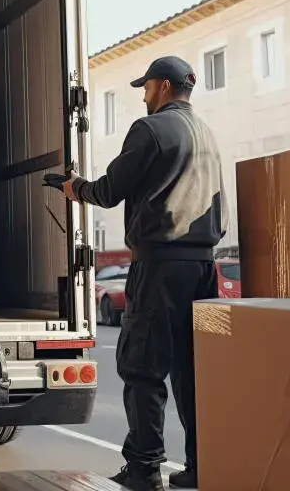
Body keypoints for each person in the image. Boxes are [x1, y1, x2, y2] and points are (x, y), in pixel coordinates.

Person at [45, 56, 226, 491]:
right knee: (188, 369)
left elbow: (110, 190)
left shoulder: (151, 129)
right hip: (203, 268)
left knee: (141, 367)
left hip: (160, 265)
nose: (143, 95)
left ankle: (144, 468)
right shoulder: (206, 133)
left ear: (163, 86)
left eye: (145, 87)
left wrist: (75, 189)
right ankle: (200, 467)